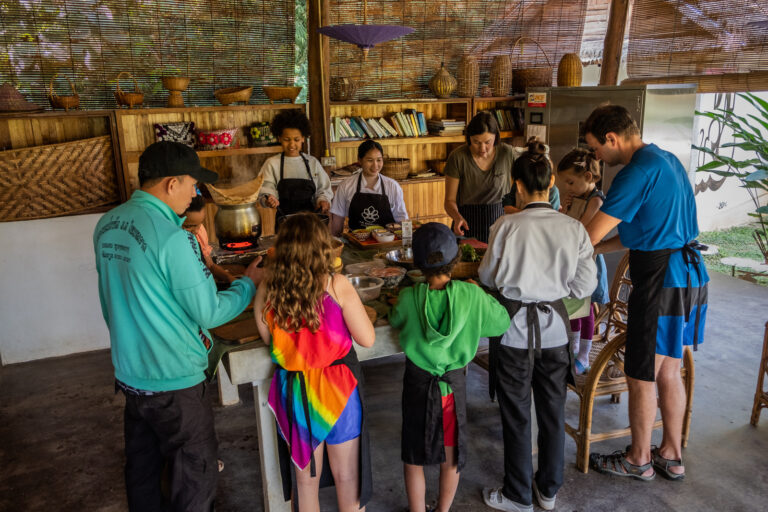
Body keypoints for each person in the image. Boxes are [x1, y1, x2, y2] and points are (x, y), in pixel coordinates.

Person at [93, 141, 264, 511]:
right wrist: (248, 283)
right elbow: (210, 313)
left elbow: (111, 301)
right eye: (193, 184)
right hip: (175, 383)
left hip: (131, 375)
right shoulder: (173, 237)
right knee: (195, 476)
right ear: (172, 184)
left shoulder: (108, 225)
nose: (196, 193)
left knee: (144, 472)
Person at [583, 105, 708, 481]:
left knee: (641, 374)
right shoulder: (666, 159)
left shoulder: (634, 172)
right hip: (690, 275)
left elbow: (590, 233)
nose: (597, 158)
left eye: (596, 149)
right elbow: (642, 231)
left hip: (661, 280)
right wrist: (597, 249)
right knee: (669, 370)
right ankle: (670, 453)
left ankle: (638, 459)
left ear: (612, 138)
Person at [478, 140, 597, 512]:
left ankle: (517, 494)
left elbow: (488, 277)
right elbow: (584, 286)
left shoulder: (506, 225)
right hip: (556, 333)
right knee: (552, 411)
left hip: (513, 332)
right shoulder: (573, 228)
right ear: (551, 186)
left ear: (518, 185)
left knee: (516, 413)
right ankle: (548, 491)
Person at [253, 213, 375, 512]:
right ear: (323, 249)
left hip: (296, 394)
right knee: (347, 478)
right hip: (338, 392)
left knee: (305, 483)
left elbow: (270, 340)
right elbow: (367, 339)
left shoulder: (270, 291)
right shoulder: (337, 284)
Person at [389, 223, 510, 512]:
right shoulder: (472, 297)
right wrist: (478, 294)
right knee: (451, 455)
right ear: (456, 260)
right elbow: (501, 322)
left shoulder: (408, 299)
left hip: (418, 384)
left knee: (413, 456)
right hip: (451, 387)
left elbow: (395, 321)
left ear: (417, 263)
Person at [556, 148, 610, 374]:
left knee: (586, 309)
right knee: (574, 307)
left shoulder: (595, 200)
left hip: (588, 262)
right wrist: (564, 208)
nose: (566, 188)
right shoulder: (577, 197)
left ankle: (584, 355)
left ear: (588, 177)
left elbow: (583, 233)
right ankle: (574, 348)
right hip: (572, 260)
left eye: (570, 182)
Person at [443, 111, 518, 243]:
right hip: (467, 224)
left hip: (500, 225)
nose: (482, 148)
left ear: (496, 137)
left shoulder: (507, 153)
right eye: (476, 142)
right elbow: (449, 201)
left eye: (487, 142)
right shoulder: (458, 157)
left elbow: (530, 176)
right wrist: (457, 217)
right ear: (469, 138)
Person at [257, 109, 333, 222]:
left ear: (303, 138)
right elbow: (264, 190)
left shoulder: (312, 163)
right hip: (284, 223)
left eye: (296, 139)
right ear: (279, 139)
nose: (292, 144)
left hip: (311, 223)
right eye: (287, 139)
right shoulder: (272, 163)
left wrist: (322, 200)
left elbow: (323, 189)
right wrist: (269, 198)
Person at [329, 139, 409, 236]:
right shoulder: (346, 186)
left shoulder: (393, 186)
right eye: (370, 160)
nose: (375, 165)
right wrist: (336, 243)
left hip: (386, 242)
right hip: (356, 243)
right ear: (359, 160)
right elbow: (337, 220)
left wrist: (406, 242)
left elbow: (402, 220)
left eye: (379, 160)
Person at [183, 194, 235, 284]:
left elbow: (210, 265)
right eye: (189, 226)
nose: (196, 230)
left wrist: (229, 277)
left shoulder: (200, 231)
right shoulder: (175, 242)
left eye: (200, 223)